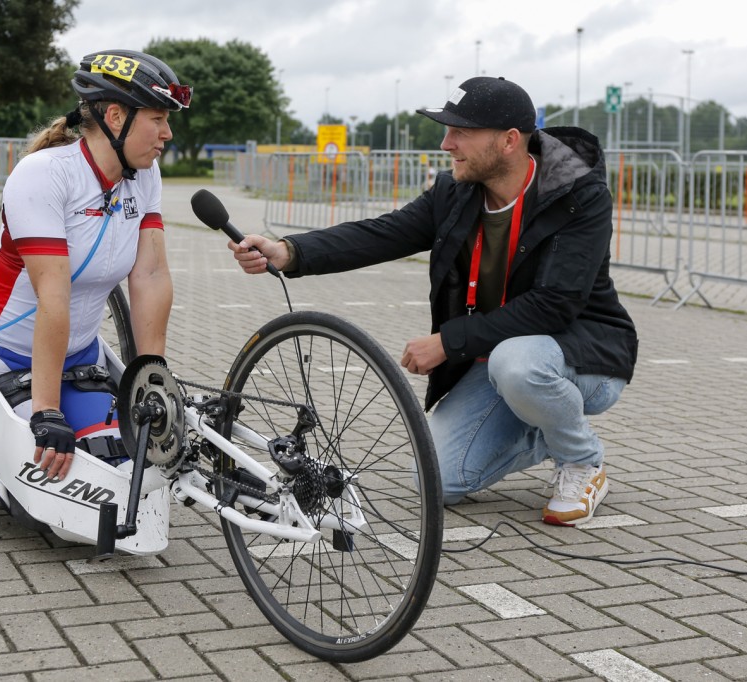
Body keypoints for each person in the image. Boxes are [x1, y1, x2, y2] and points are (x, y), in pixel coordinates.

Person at [228, 76, 637, 526]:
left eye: (460, 132)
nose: (447, 144)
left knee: (518, 365)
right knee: (435, 478)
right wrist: (290, 251)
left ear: (509, 141)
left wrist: (447, 342)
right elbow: (384, 233)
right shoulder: (456, 193)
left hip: (581, 355)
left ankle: (581, 459)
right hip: (497, 358)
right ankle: (548, 425)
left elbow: (554, 305)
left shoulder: (579, 197)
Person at [0, 49, 191, 487]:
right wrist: (47, 411)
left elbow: (151, 277)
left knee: (124, 465)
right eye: (158, 119)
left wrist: (152, 379)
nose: (167, 133)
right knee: (63, 479)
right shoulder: (43, 174)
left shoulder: (145, 176)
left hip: (79, 357)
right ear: (116, 117)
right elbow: (53, 293)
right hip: (0, 351)